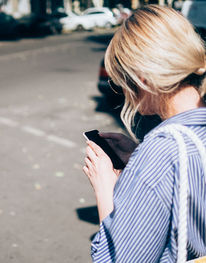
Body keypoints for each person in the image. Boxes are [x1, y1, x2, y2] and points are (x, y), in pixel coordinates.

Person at [82, 5, 206, 262]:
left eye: (123, 82)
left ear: (144, 79)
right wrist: (138, 158)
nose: (125, 93)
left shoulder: (160, 151)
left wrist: (105, 187)